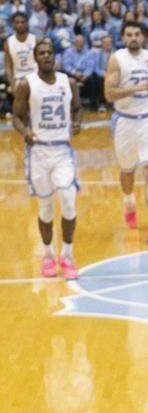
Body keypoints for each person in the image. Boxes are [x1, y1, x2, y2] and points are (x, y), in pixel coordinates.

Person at [11, 40, 82, 279]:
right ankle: (48, 254)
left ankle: (68, 255)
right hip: (39, 151)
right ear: (35, 58)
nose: (46, 56)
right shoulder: (27, 85)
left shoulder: (67, 81)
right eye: (41, 53)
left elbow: (77, 108)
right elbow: (17, 117)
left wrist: (78, 121)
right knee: (46, 207)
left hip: (62, 150)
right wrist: (25, 132)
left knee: (69, 199)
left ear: (54, 56)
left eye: (49, 52)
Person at [104, 19, 148, 244]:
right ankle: (128, 199)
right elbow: (109, 94)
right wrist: (135, 88)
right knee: (127, 171)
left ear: (143, 37)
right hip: (125, 122)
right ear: (123, 38)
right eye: (129, 34)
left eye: (137, 34)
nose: (133, 38)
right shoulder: (117, 59)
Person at [4, 10, 37, 94]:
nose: (20, 25)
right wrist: (12, 85)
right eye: (17, 22)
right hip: (19, 80)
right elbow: (8, 67)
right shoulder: (8, 42)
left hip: (35, 78)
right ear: (13, 25)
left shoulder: (35, 40)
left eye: (22, 22)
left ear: (27, 23)